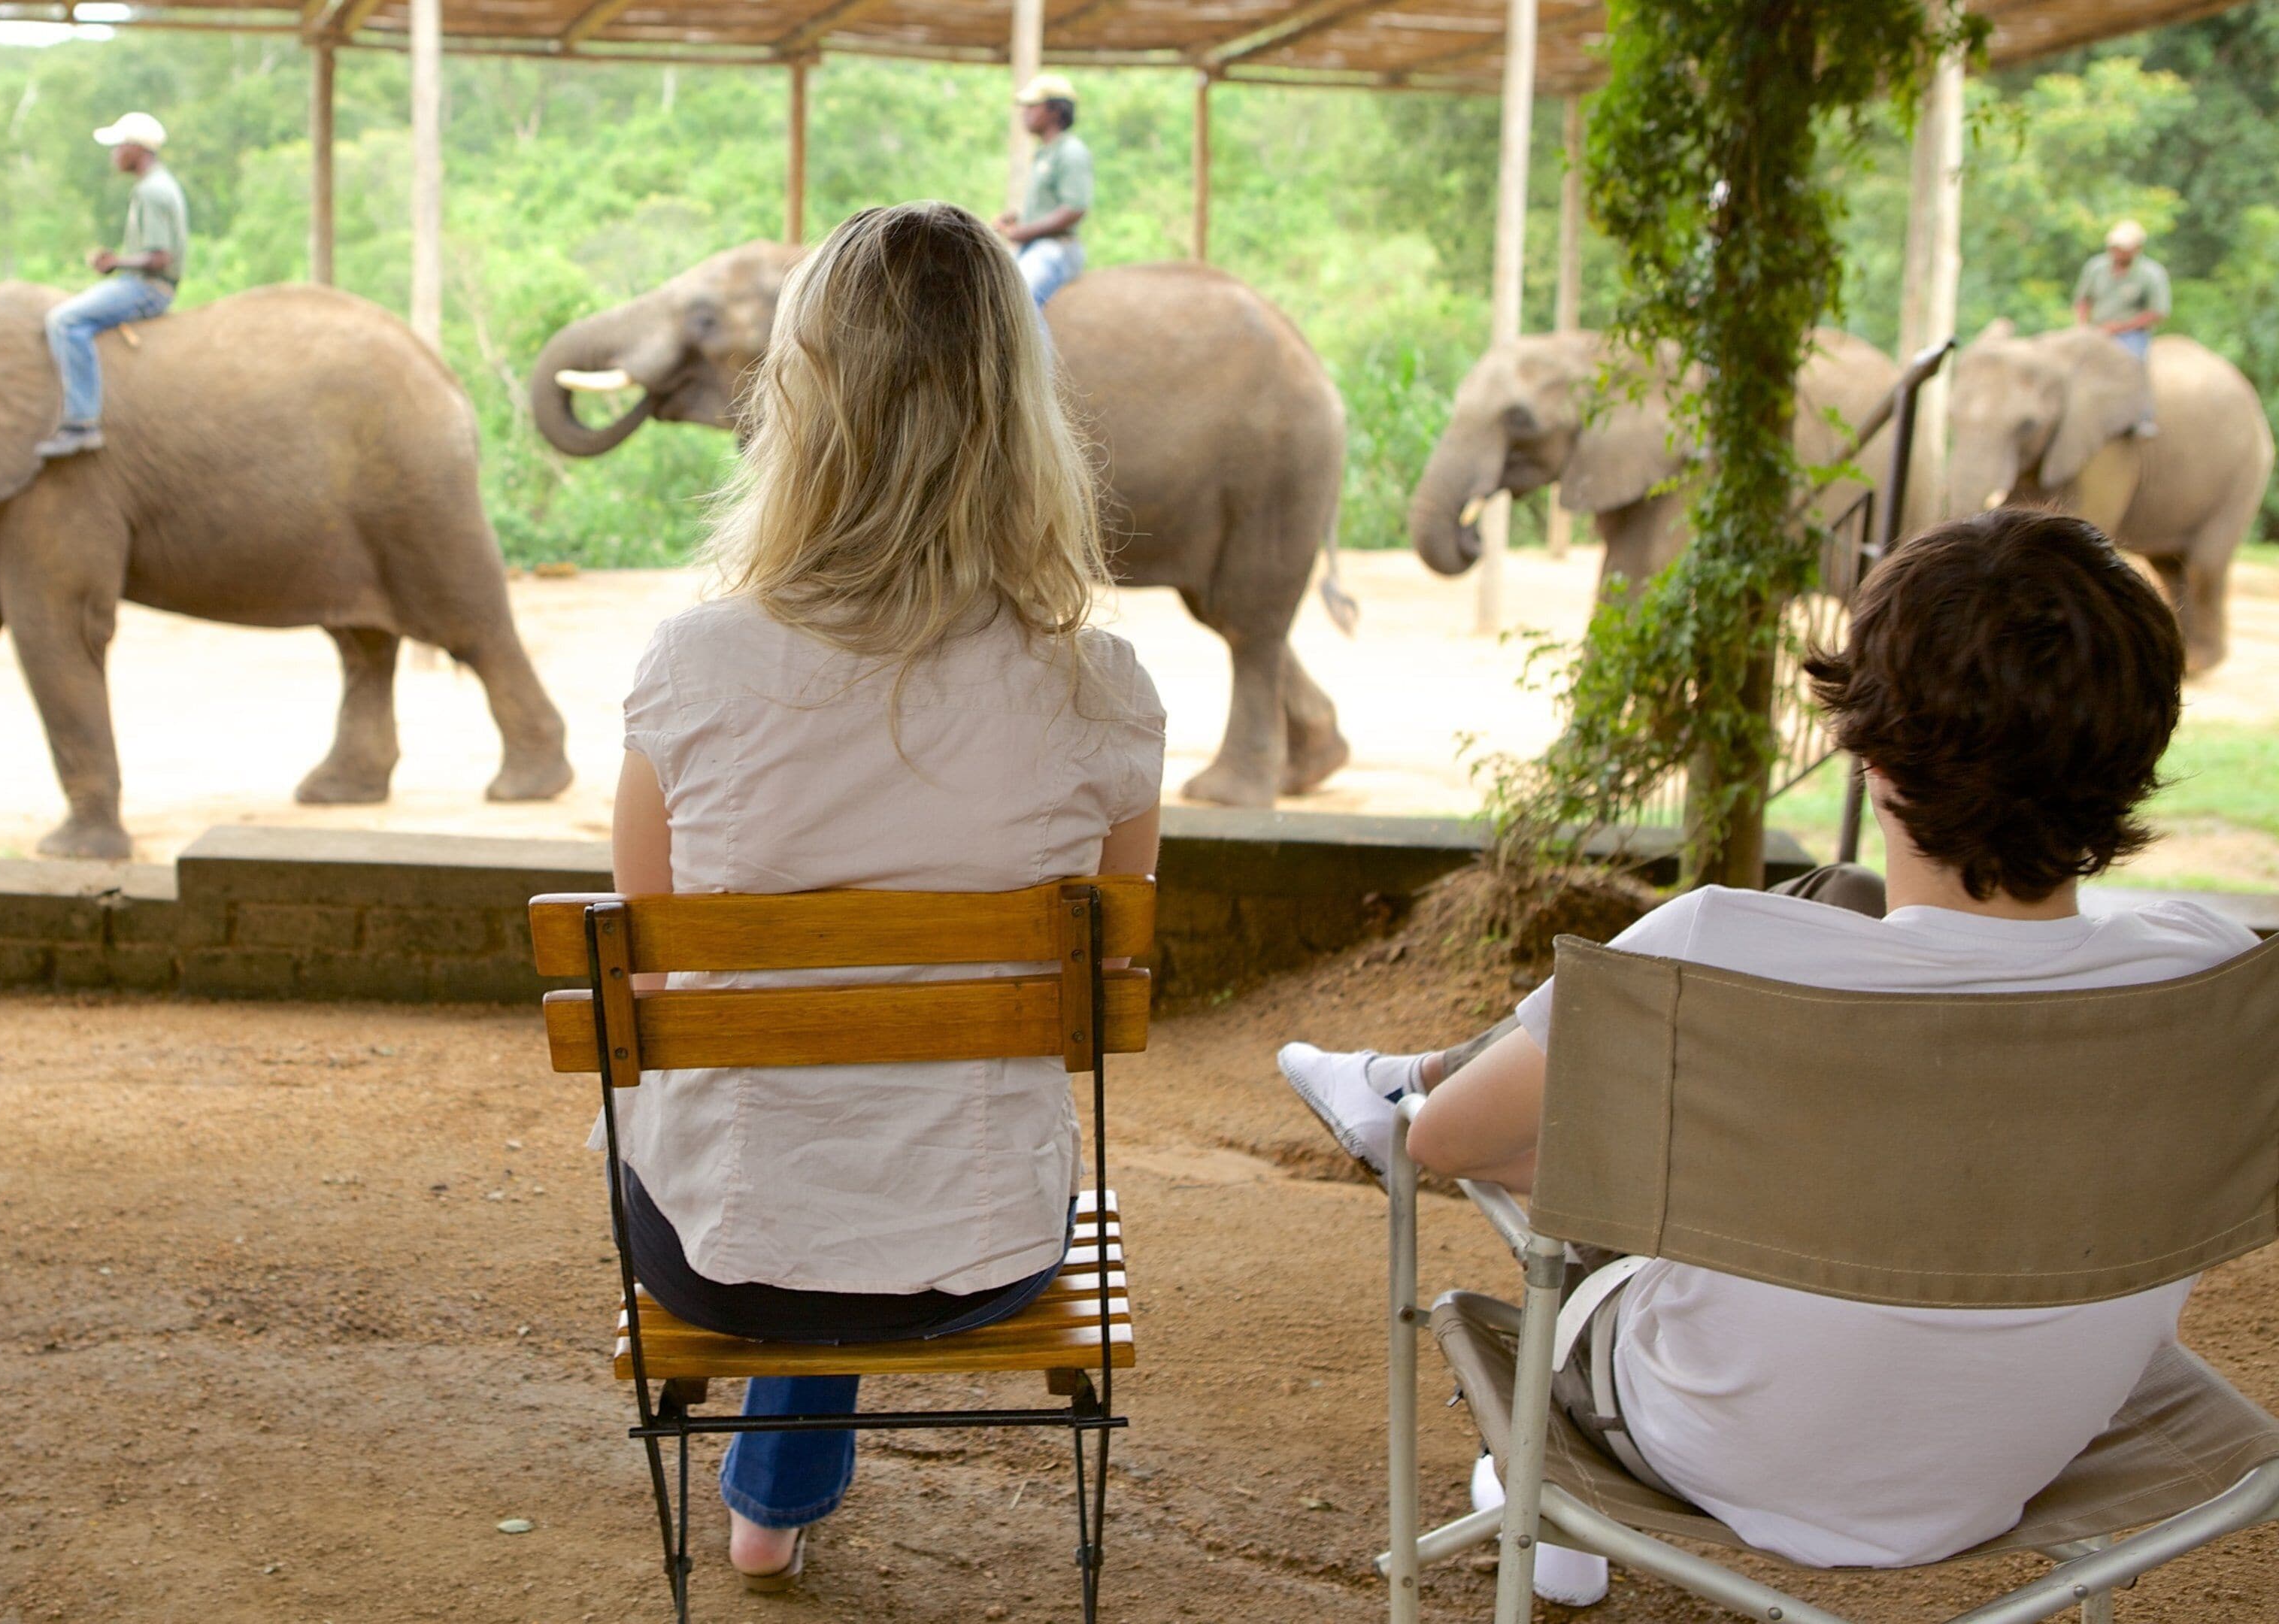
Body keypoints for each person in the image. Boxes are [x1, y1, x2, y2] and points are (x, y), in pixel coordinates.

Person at [1276, 508, 2253, 1602]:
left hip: (1706, 1439)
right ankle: (1427, 1074)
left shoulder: (1713, 952)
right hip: (2017, 1452)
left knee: (1577, 1110)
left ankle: (1414, 1107)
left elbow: (1454, 1148)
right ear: (2140, 751)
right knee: (1834, 910)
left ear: (1873, 758)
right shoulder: (2212, 974)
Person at [606, 201, 1165, 1591]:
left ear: (800, 403)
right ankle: (776, 1489)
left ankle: (766, 1505)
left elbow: (656, 996)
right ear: (1018, 412)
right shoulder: (1101, 689)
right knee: (894, 1108)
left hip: (721, 1256)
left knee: (778, 1104)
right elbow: (1089, 1001)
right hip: (985, 1251)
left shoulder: (690, 670)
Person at [35, 111, 189, 459]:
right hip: (142, 280)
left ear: (136, 149)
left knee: (65, 321)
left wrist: (116, 263)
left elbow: (161, 257)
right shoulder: (157, 184)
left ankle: (81, 422)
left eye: (118, 146)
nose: (114, 154)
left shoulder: (152, 192)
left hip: (149, 288)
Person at [997, 73, 1092, 309]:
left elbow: (1074, 209)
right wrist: (1016, 220)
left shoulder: (1071, 151)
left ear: (1055, 111)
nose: (1025, 112)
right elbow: (1050, 206)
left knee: (1019, 304)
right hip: (1035, 246)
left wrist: (1025, 231)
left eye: (1032, 106)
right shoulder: (1045, 153)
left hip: (1056, 249)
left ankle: (1034, 347)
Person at [2073, 220, 2171, 363]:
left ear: (2137, 248)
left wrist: (2120, 327)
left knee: (2131, 363)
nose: (2118, 251)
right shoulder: (2095, 267)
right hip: (2095, 330)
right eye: (2115, 247)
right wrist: (2082, 327)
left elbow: (2158, 312)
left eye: (2123, 248)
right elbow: (2083, 300)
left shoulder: (2152, 273)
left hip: (2131, 334)